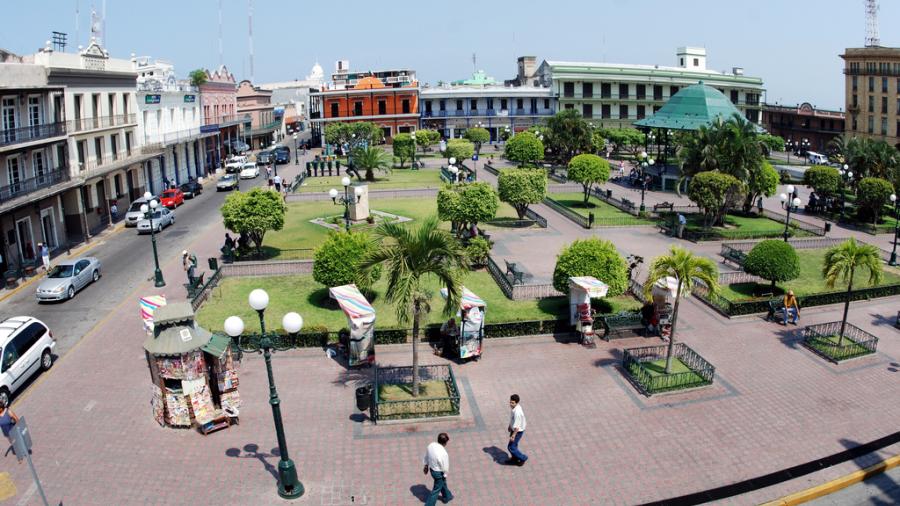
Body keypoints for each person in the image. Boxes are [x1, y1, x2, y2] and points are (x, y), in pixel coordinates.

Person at [422, 433, 452, 506]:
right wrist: (445, 475)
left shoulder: (431, 445)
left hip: (432, 470)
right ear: (445, 442)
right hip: (439, 473)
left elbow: (426, 456)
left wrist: (426, 465)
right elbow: (445, 467)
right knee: (436, 490)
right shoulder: (443, 453)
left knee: (442, 483)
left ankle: (447, 496)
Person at [506, 394, 528, 466]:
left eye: (512, 403)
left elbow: (517, 427)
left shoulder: (517, 412)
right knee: (514, 446)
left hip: (517, 431)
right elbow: (512, 419)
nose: (510, 404)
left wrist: (513, 435)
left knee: (511, 447)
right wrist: (510, 426)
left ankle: (523, 458)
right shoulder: (515, 408)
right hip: (514, 429)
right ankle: (514, 458)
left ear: (516, 402)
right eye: (510, 402)